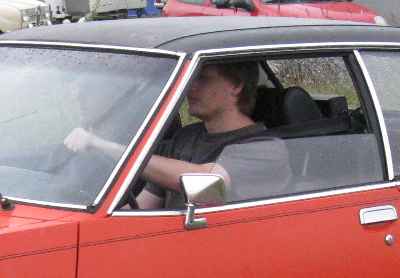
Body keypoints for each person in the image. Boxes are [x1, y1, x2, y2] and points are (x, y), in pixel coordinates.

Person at [66, 62, 290, 209]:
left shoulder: (265, 148)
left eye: (203, 78)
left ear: (236, 86)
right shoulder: (185, 139)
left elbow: (206, 184)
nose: (191, 87)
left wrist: (105, 147)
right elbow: (144, 206)